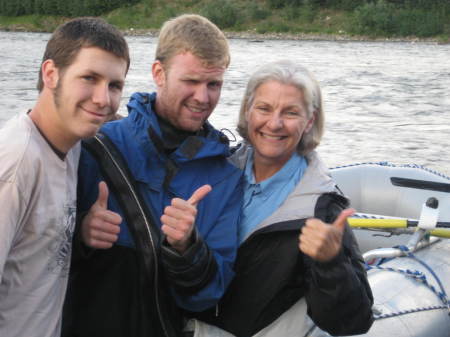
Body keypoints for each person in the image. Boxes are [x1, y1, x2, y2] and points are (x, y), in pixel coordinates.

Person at [62, 14, 243, 337]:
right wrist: (81, 235)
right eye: (191, 81)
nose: (203, 98)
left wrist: (187, 248)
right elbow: (37, 261)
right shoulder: (94, 145)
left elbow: (209, 296)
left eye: (213, 84)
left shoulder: (225, 177)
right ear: (158, 73)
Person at [192, 60, 374, 337]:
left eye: (290, 112)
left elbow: (353, 321)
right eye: (264, 108)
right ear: (247, 111)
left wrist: (330, 263)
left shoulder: (322, 206)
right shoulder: (212, 171)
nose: (274, 124)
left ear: (309, 121)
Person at [0, 17, 129, 337]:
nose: (103, 99)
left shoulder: (70, 146)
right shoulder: (17, 164)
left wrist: (82, 229)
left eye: (114, 85)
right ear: (51, 74)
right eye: (89, 78)